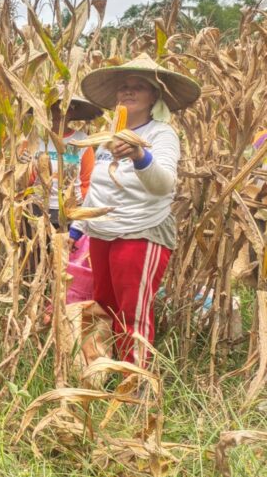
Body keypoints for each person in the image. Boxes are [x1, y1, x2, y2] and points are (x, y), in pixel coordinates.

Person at [69, 53, 201, 367]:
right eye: (123, 87)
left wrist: (140, 156)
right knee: (105, 308)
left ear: (154, 95)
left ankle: (135, 386)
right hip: (102, 234)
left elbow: (163, 185)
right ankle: (109, 372)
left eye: (137, 87)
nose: (127, 92)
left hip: (140, 234)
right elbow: (98, 187)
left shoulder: (161, 134)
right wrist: (76, 230)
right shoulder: (109, 135)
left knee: (133, 314)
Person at [24, 94, 101, 227]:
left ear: (72, 112)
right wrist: (24, 166)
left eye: (66, 108)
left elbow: (87, 181)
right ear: (47, 111)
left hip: (71, 210)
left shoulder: (82, 141)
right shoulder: (34, 139)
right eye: (55, 108)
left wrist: (77, 205)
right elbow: (26, 180)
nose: (60, 113)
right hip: (36, 207)